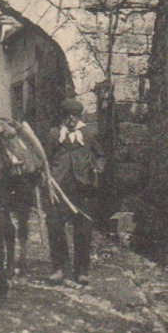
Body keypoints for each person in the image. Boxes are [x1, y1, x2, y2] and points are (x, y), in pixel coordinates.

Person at [45, 97, 105, 285]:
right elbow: (46, 157)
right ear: (63, 117)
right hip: (58, 187)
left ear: (78, 117)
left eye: (74, 117)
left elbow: (101, 155)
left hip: (83, 187)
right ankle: (59, 268)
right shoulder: (54, 134)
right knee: (55, 227)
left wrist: (98, 168)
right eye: (67, 117)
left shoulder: (89, 133)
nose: (70, 121)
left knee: (83, 229)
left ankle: (81, 271)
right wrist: (46, 176)